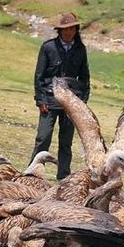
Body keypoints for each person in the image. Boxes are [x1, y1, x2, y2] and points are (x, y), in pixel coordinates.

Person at [31, 12, 90, 180]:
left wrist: (81, 103)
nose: (68, 32)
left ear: (76, 30)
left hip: (71, 102)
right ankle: (33, 173)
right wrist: (41, 99)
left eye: (71, 29)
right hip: (49, 100)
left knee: (66, 141)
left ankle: (63, 176)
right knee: (43, 137)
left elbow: (85, 77)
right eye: (65, 29)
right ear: (60, 31)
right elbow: (39, 76)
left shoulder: (80, 50)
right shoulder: (48, 47)